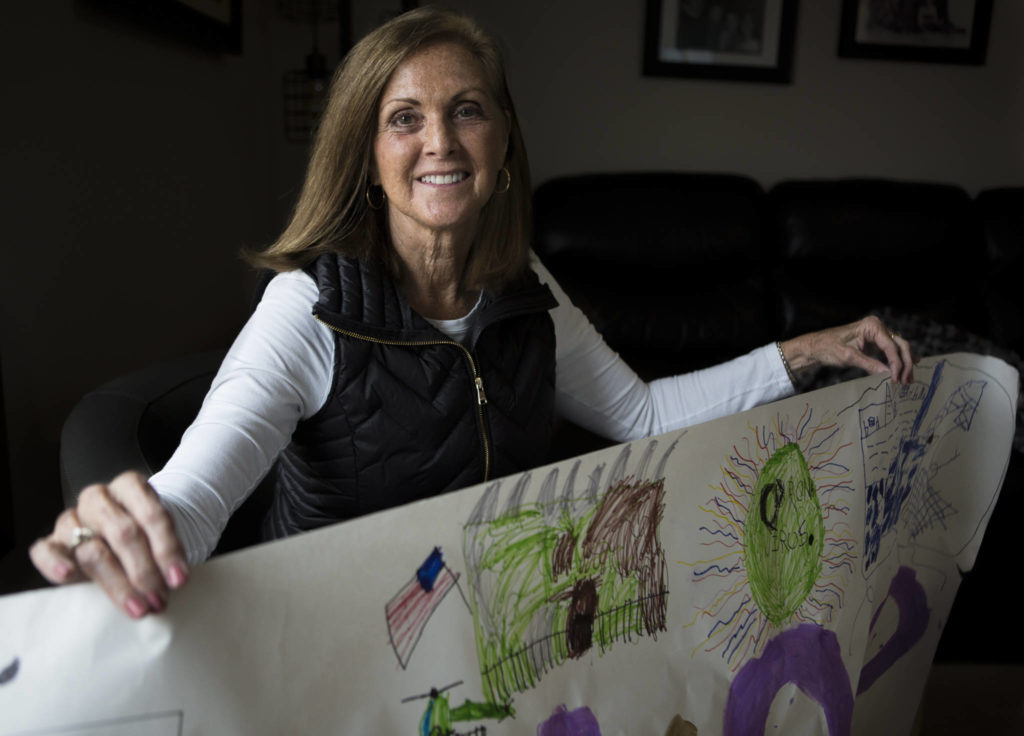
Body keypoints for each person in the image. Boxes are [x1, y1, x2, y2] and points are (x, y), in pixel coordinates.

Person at [29, 8, 916, 620]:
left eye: (467, 111)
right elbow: (196, 498)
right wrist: (118, 532)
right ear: (366, 155)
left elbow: (642, 418)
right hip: (335, 644)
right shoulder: (310, 306)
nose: (440, 142)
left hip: (487, 630)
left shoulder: (523, 286)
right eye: (403, 118)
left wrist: (806, 350)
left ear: (502, 140)